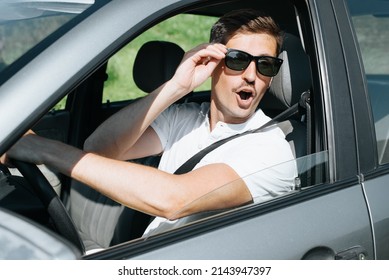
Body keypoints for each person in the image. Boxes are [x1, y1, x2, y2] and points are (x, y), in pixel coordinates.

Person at [1, 9, 297, 236]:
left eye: (265, 65)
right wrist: (175, 87)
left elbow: (173, 200)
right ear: (213, 62)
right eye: (237, 59)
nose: (251, 75)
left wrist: (43, 149)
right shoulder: (185, 117)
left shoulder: (270, 149)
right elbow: (100, 148)